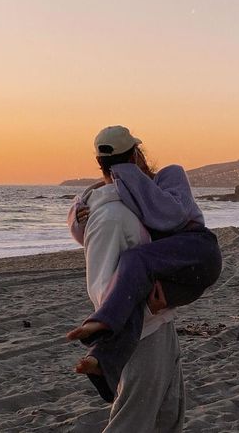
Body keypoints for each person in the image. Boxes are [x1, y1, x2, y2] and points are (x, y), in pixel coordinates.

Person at [67, 125, 222, 402]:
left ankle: (102, 328)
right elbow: (103, 275)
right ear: (135, 154)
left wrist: (124, 178)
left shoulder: (166, 178)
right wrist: (84, 204)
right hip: (157, 315)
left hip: (198, 251)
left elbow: (169, 216)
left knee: (136, 260)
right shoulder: (112, 211)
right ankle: (102, 359)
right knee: (166, 412)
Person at [67, 131, 185, 432]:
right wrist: (150, 306)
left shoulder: (134, 204)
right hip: (141, 335)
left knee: (168, 417)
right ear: (135, 158)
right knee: (131, 423)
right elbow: (103, 288)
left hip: (160, 326)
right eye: (140, 154)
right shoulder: (112, 217)